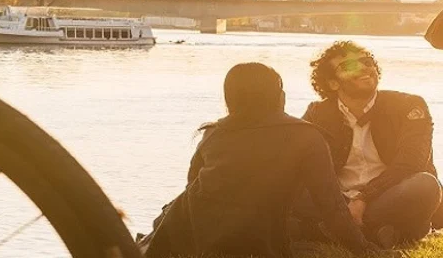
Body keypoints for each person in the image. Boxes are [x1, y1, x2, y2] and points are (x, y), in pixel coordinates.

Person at [139, 62, 376, 258]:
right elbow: (331, 207)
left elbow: (192, 187)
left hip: (197, 235)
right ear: (278, 96)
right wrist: (364, 250)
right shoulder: (307, 136)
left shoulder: (214, 132)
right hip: (259, 241)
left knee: (173, 208)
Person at [297, 41, 443, 248]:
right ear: (332, 83)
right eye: (349, 67)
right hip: (339, 201)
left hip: (389, 196)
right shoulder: (317, 112)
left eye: (367, 62)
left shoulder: (408, 105)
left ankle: (333, 230)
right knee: (286, 184)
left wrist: (364, 198)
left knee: (425, 185)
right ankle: (379, 232)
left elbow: (411, 163)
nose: (365, 68)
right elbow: (301, 163)